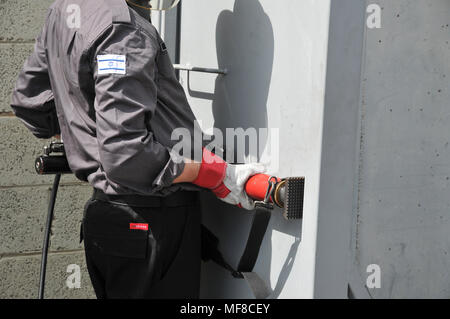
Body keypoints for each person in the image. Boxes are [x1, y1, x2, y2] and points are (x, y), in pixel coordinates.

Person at [10, 0, 264, 298]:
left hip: (110, 219)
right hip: (150, 220)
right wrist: (212, 173)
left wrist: (86, 134)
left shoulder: (65, 9)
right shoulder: (124, 29)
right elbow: (126, 154)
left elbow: (29, 103)